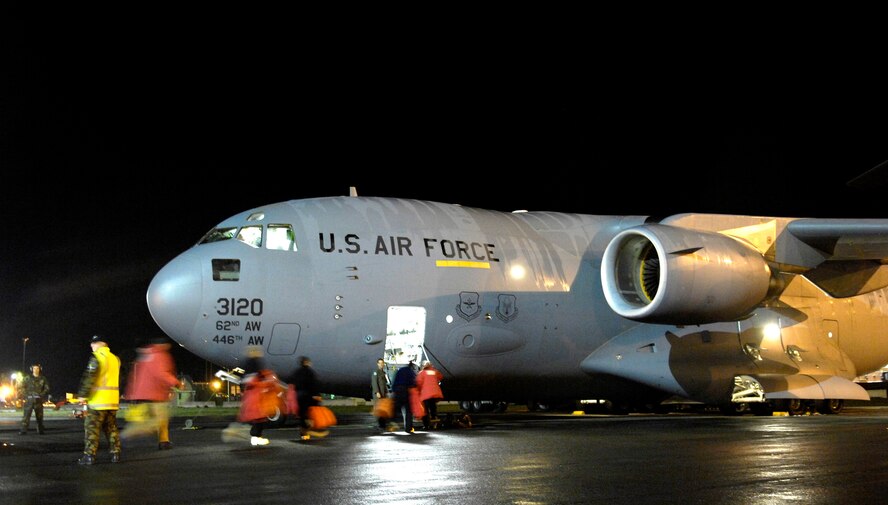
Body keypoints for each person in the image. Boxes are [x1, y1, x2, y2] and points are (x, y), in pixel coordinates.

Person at [121, 337, 181, 449]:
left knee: (162, 419)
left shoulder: (145, 355)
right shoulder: (160, 355)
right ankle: (125, 435)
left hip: (144, 395)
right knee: (154, 422)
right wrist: (176, 383)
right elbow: (161, 374)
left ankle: (164, 442)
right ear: (164, 345)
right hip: (155, 395)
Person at [76, 335, 122, 465]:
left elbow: (90, 377)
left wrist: (83, 395)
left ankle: (89, 456)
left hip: (97, 402)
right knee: (111, 428)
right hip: (112, 401)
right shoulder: (115, 359)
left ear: (101, 343)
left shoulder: (96, 357)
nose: (91, 345)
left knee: (92, 429)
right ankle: (115, 454)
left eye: (94, 343)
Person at [289, 356, 322, 439]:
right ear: (307, 362)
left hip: (298, 395)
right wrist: (317, 395)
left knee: (302, 414)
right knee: (309, 414)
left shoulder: (296, 372)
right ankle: (309, 429)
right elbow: (314, 384)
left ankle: (303, 433)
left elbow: (292, 382)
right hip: (308, 396)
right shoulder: (310, 372)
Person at [18, 363, 50, 435]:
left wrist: (41, 395)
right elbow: (21, 387)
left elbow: (47, 388)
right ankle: (23, 430)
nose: (35, 370)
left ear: (40, 369)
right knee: (26, 416)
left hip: (38, 400)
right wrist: (26, 395)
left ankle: (40, 430)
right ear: (32, 369)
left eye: (37, 368)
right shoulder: (27, 378)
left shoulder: (43, 379)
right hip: (29, 400)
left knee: (39, 417)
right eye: (34, 368)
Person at [415, 360, 444, 430]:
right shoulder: (434, 371)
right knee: (433, 407)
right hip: (435, 394)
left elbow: (418, 383)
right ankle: (434, 419)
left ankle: (426, 425)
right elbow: (441, 377)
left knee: (425, 410)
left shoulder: (422, 373)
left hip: (426, 394)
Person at [392, 360, 417, 433]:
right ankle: (408, 428)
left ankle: (392, 422)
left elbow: (395, 380)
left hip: (397, 390)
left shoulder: (400, 370)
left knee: (396, 408)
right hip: (406, 391)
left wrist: (394, 390)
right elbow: (413, 382)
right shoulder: (410, 372)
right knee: (408, 411)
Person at [371, 357, 392, 432]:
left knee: (383, 409)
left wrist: (387, 393)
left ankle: (383, 425)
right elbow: (374, 383)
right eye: (380, 363)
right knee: (378, 410)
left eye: (382, 363)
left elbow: (385, 384)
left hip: (383, 394)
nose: (381, 364)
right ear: (377, 364)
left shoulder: (383, 372)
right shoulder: (375, 372)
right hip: (378, 394)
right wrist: (377, 392)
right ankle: (379, 425)